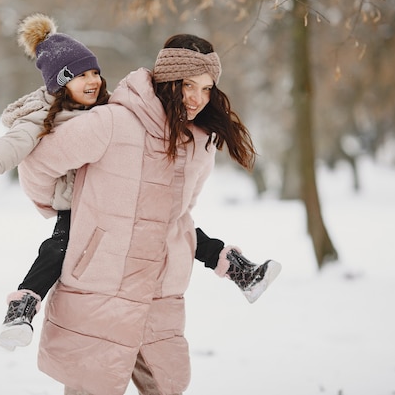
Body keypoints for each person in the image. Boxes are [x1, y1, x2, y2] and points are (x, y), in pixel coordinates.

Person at [0, 14, 280, 353]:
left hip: (114, 203)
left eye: (94, 72)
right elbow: (14, 146)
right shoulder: (40, 116)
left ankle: (238, 270)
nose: (92, 81)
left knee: (179, 229)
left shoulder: (106, 108)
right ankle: (22, 307)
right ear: (59, 82)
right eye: (80, 76)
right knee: (56, 249)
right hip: (77, 204)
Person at [17, 33, 279, 395]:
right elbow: (37, 166)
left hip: (160, 289)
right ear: (167, 80)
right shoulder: (112, 123)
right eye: (188, 85)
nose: (196, 98)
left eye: (206, 89)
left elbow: (183, 212)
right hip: (100, 284)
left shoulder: (200, 142)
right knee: (92, 384)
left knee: (164, 386)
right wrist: (71, 213)